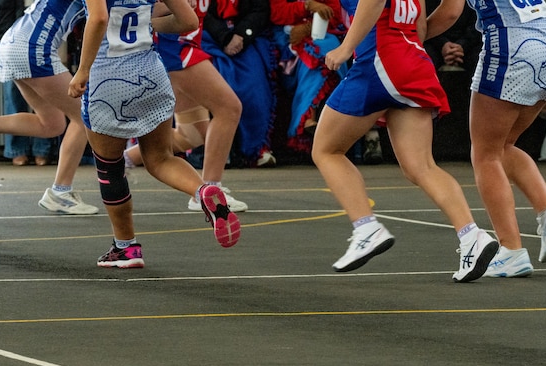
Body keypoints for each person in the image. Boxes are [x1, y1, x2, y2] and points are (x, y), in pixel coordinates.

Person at [312, 0, 499, 282]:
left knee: (326, 150)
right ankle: (472, 235)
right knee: (421, 166)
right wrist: (407, 42)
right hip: (414, 58)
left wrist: (346, 46)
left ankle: (366, 227)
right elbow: (447, 12)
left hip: (380, 58)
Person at [69, 0, 240, 268]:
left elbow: (99, 18)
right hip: (151, 73)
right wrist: (148, 21)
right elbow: (189, 22)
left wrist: (82, 70)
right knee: (161, 158)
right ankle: (203, 189)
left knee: (110, 169)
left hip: (108, 75)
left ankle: (126, 247)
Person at [426, 0, 546, 278]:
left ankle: (511, 250)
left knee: (485, 154)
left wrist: (411, 37)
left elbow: (449, 12)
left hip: (510, 44)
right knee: (503, 146)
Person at [0, 0, 98, 216]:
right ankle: (60, 193)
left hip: (15, 41)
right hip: (32, 47)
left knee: (51, 124)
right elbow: (105, 18)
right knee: (85, 116)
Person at [126, 0, 248, 213]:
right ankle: (210, 190)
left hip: (183, 46)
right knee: (229, 108)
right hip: (175, 48)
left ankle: (123, 158)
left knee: (193, 135)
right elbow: (143, 11)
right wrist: (173, 8)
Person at [0, 0, 58, 167]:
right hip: (11, 23)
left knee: (47, 97)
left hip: (40, 23)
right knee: (15, 94)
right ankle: (18, 150)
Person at [203, 0, 278, 168]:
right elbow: (197, 12)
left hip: (246, 39)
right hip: (208, 36)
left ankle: (255, 149)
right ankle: (211, 151)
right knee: (213, 81)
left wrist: (241, 35)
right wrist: (225, 37)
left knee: (254, 84)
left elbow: (260, 10)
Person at [270, 0, 348, 153]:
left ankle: (308, 119)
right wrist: (306, 5)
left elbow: (334, 15)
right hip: (285, 36)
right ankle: (308, 118)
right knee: (317, 54)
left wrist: (309, 27)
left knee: (325, 51)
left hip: (319, 32)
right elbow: (276, 13)